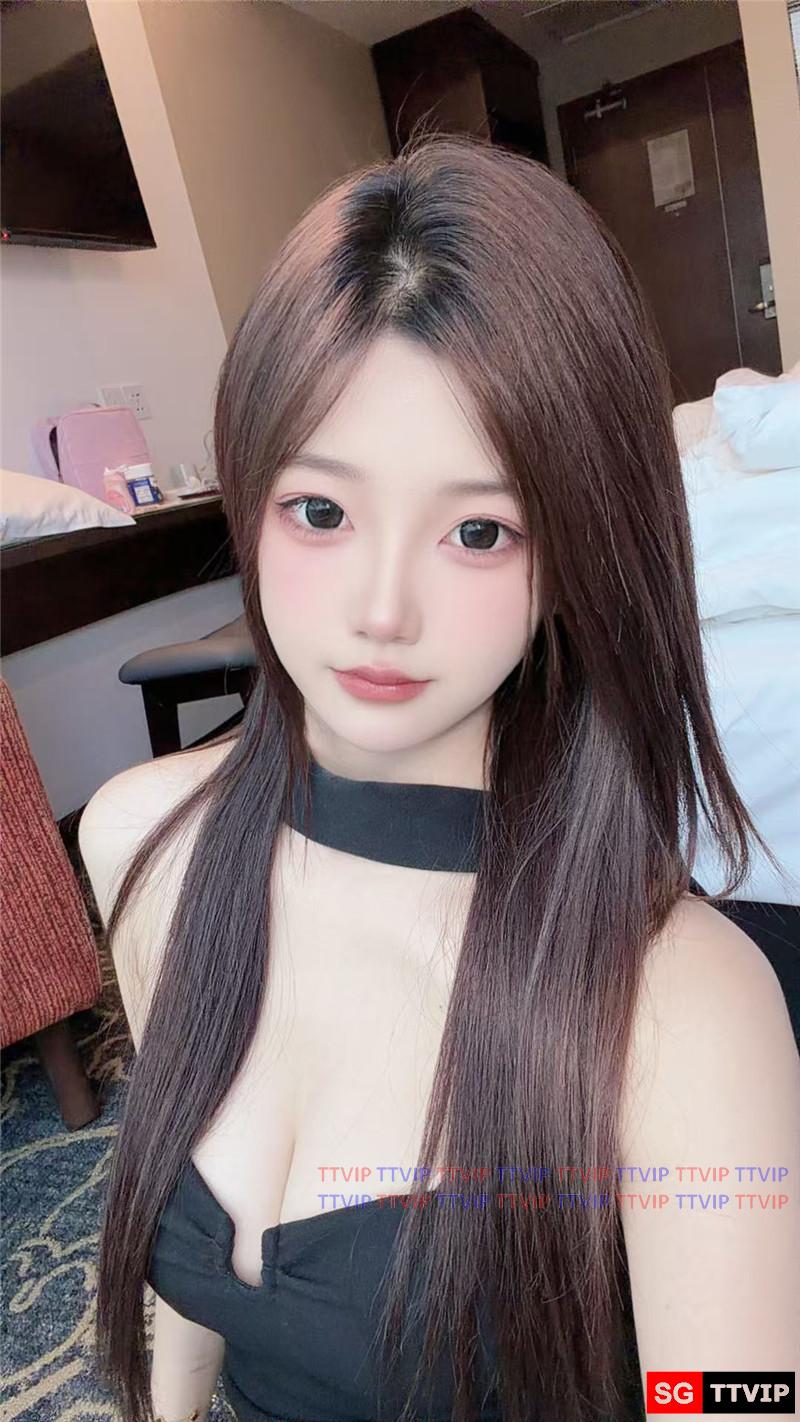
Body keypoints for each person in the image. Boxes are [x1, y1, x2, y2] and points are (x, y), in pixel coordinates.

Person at [79, 131, 800, 1422]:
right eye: (321, 511)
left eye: (478, 529)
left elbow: (737, 1401)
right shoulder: (146, 847)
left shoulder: (684, 1006)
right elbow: (186, 1285)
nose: (382, 608)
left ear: (574, 553)